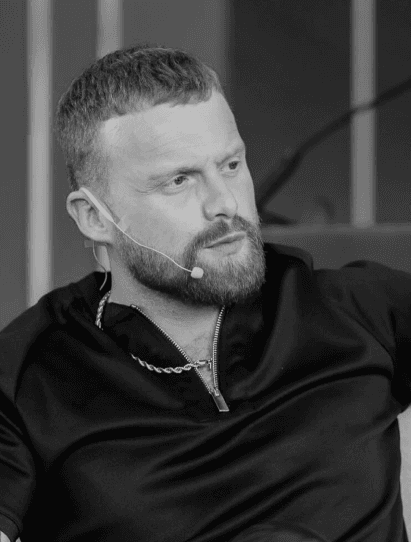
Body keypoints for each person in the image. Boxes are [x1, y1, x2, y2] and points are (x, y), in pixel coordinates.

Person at [0, 45, 411, 542]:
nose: (225, 203)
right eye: (179, 180)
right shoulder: (26, 375)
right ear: (94, 217)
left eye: (231, 165)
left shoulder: (360, 310)